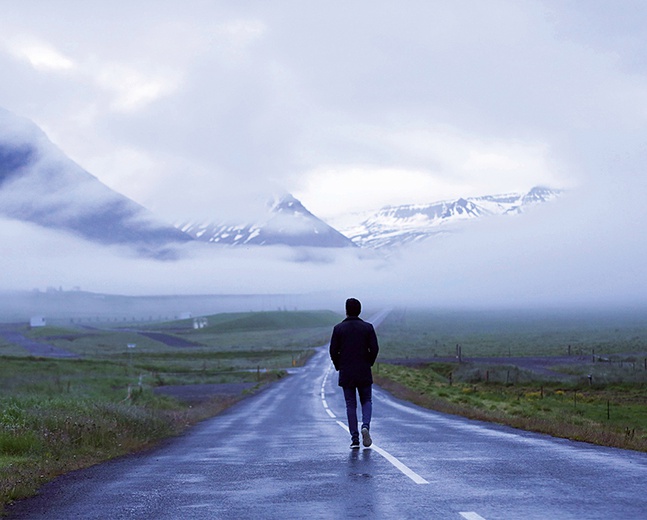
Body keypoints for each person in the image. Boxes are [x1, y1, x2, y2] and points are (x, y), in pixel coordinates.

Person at [329, 298, 379, 449]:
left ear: (346, 310)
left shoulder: (338, 329)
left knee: (350, 404)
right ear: (360, 310)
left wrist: (339, 365)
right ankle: (365, 426)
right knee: (367, 401)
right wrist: (369, 362)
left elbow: (333, 350)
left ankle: (355, 439)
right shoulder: (368, 327)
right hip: (363, 369)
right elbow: (375, 348)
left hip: (347, 371)